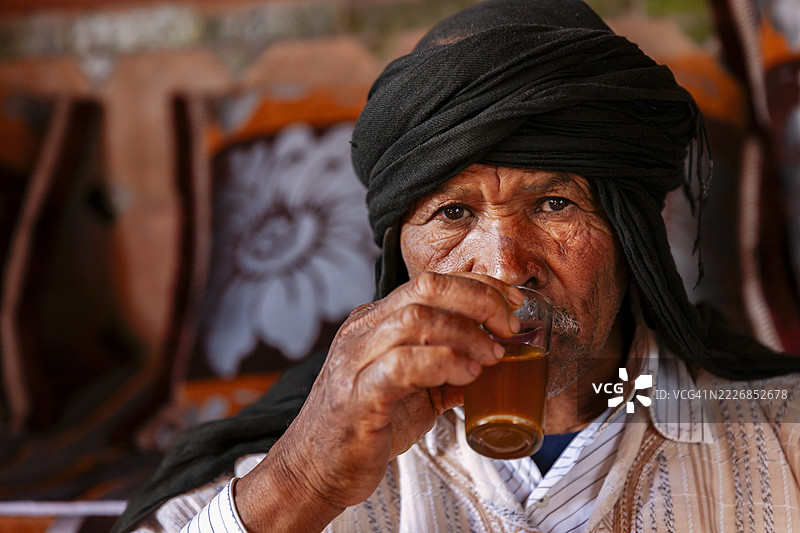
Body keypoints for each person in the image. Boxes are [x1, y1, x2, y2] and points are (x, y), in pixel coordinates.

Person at [114, 1, 800, 531]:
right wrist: (302, 481)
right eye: (453, 213)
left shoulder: (780, 437)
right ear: (400, 247)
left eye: (555, 203)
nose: (505, 268)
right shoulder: (315, 459)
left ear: (629, 232)